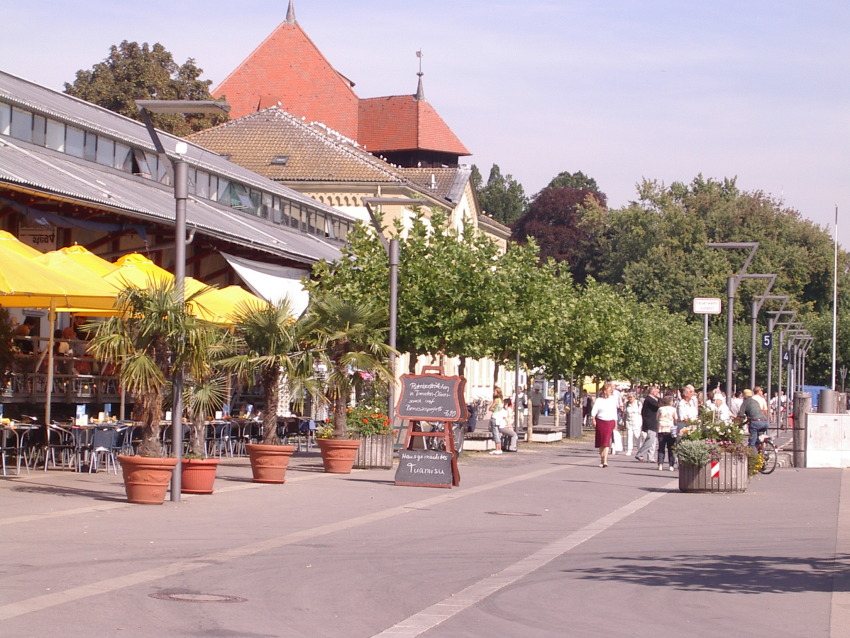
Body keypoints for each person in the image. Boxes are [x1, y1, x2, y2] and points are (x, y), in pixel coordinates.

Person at [591, 382, 618, 467]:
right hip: (600, 421)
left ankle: (605, 460)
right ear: (605, 390)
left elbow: (614, 412)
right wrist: (593, 419)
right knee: (601, 441)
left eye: (611, 390)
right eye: (610, 389)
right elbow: (594, 410)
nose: (611, 391)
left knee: (606, 441)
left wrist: (616, 423)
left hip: (610, 421)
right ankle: (602, 458)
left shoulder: (613, 399)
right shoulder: (599, 400)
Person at [635, 385, 660, 462]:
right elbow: (658, 406)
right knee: (650, 440)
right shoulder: (649, 400)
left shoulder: (650, 399)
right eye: (656, 391)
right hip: (650, 422)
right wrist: (659, 398)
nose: (658, 393)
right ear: (652, 392)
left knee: (653, 441)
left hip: (653, 422)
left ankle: (650, 457)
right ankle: (639, 454)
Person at [656, 396, 677, 471]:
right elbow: (676, 419)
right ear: (671, 402)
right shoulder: (673, 409)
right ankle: (671, 465)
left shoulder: (660, 409)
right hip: (670, 429)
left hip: (661, 428)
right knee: (671, 448)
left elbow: (657, 418)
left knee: (661, 447)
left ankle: (660, 464)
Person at [489, 388, 506, 455]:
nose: (494, 392)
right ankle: (499, 448)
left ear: (497, 392)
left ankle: (497, 449)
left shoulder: (496, 400)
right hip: (499, 418)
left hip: (495, 417)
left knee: (495, 433)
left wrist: (492, 409)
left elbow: (490, 408)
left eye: (495, 391)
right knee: (498, 433)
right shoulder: (501, 401)